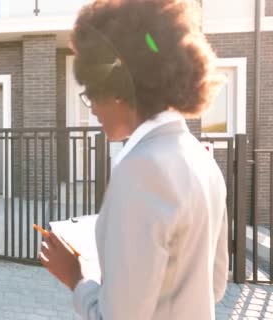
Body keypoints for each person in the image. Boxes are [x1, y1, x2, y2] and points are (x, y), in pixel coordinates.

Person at [39, 1, 228, 319]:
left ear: (114, 89)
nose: (93, 109)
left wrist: (75, 277)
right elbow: (216, 284)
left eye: (90, 94)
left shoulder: (142, 169)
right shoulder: (201, 158)